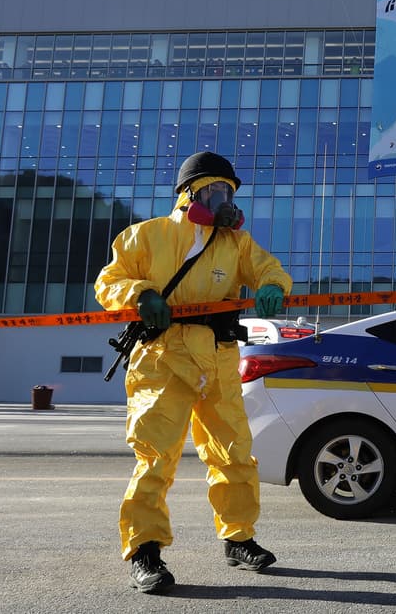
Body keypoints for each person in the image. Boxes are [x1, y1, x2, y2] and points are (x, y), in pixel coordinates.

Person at [95, 151, 292, 594]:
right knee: (156, 458)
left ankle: (238, 537)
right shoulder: (145, 236)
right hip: (163, 359)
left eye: (228, 191)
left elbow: (268, 268)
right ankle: (144, 550)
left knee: (235, 452)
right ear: (188, 194)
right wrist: (141, 293)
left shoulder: (235, 244)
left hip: (218, 358)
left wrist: (273, 286)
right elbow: (109, 281)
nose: (223, 199)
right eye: (214, 190)